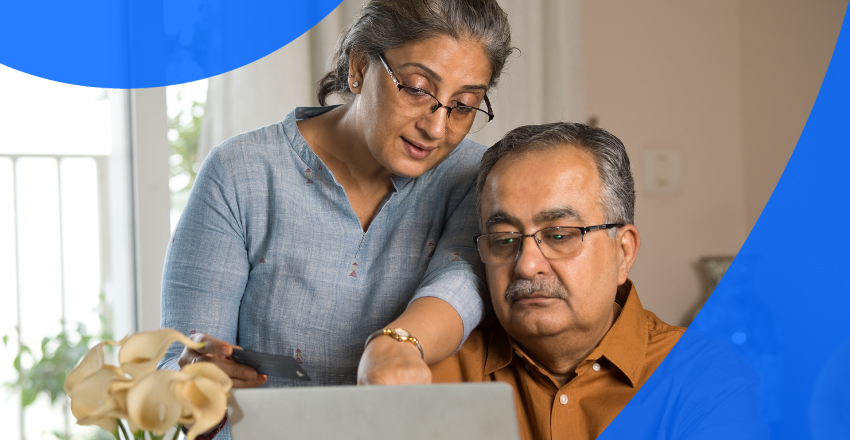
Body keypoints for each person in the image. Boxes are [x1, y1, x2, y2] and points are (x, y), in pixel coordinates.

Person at [158, 0, 512, 437]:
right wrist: (195, 383)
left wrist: (397, 345)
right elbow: (177, 366)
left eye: (463, 105)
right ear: (360, 66)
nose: (437, 128)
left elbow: (461, 279)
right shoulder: (240, 173)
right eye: (418, 88)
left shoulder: (475, 177)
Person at [431, 122, 769, 440]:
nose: (527, 265)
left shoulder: (705, 377)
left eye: (560, 235)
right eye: (504, 239)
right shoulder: (437, 374)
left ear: (623, 252)